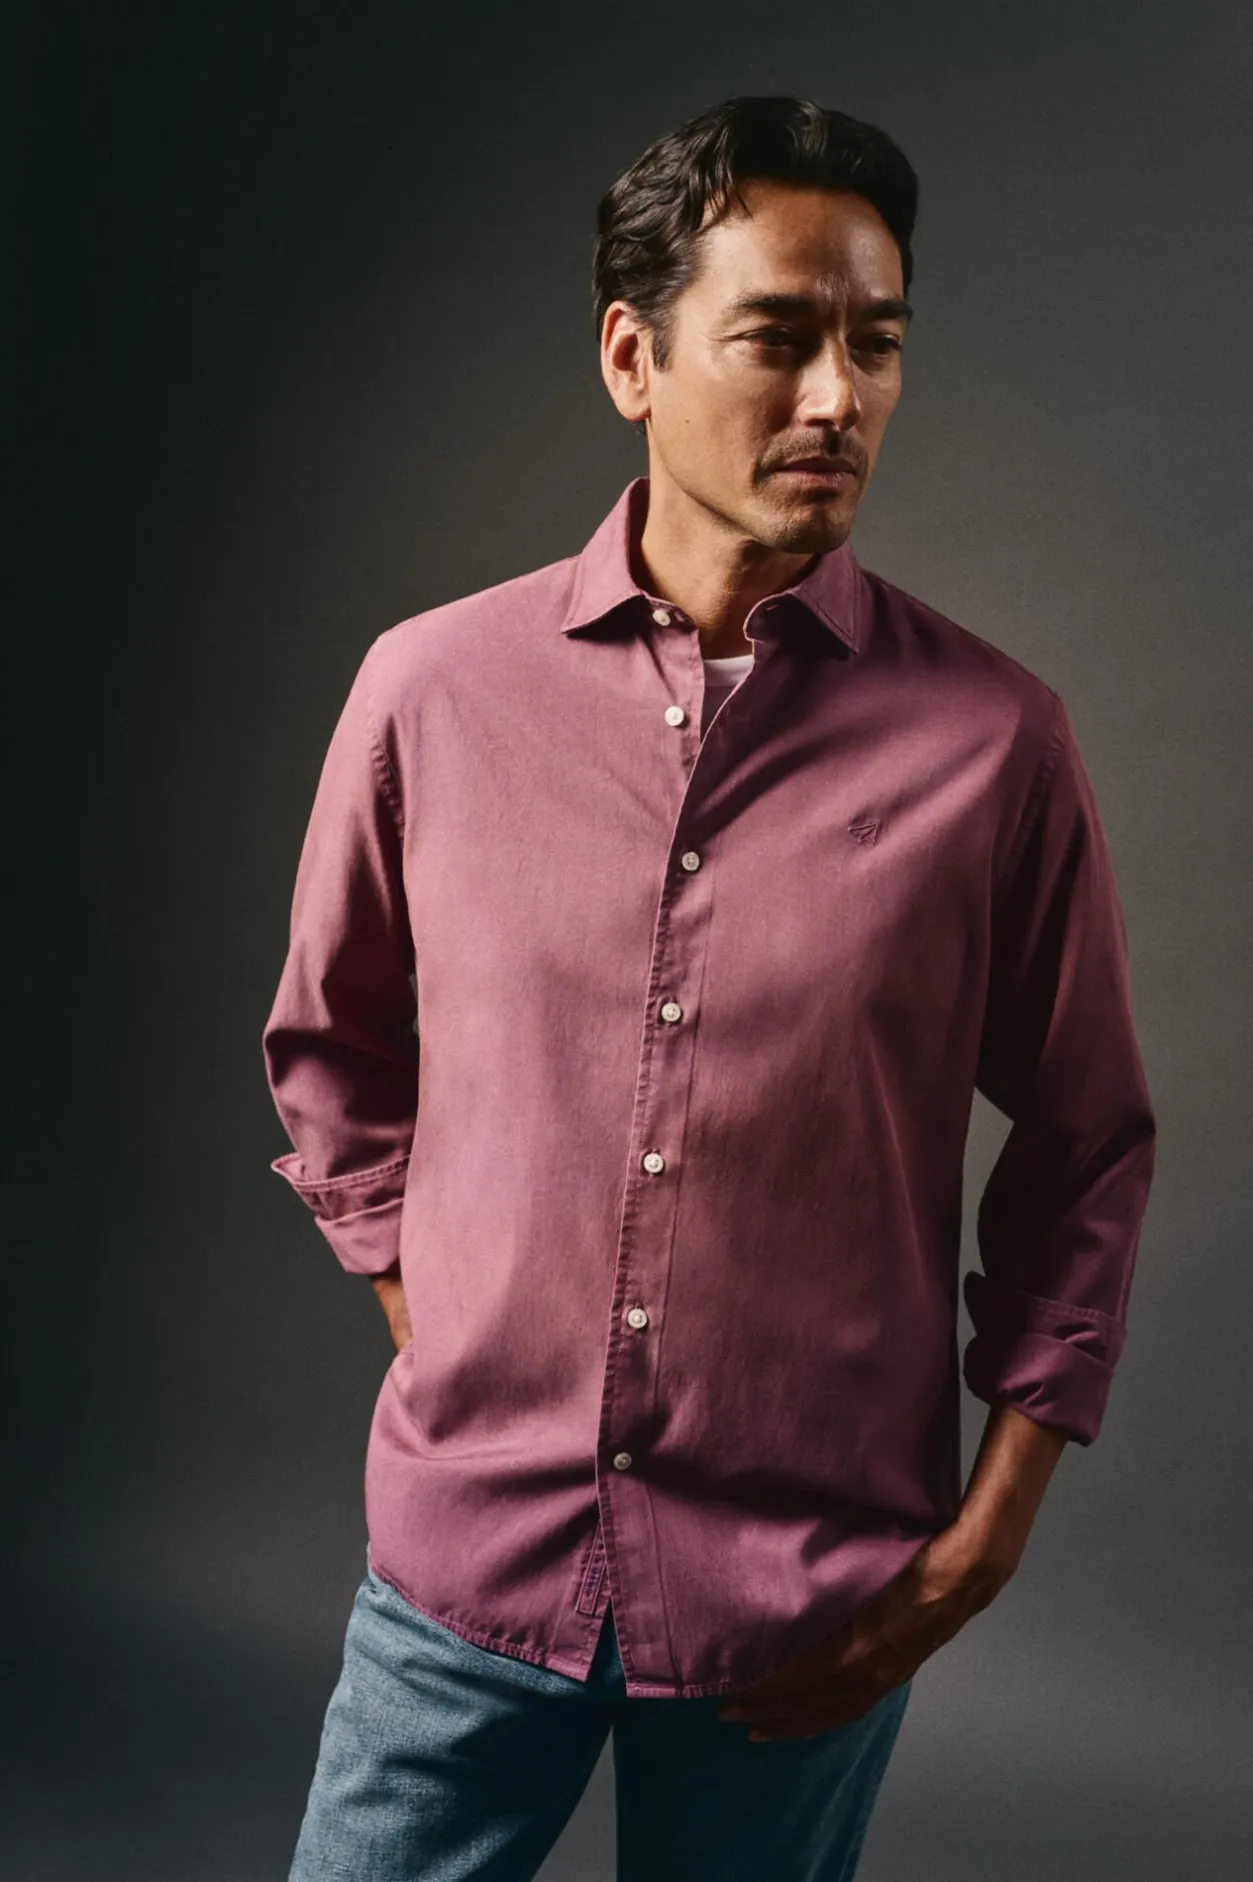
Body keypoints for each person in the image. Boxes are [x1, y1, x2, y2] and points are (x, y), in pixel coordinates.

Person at [261, 93, 1157, 1881]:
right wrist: (438, 1313)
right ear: (633, 357)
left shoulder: (998, 745)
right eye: (780, 337)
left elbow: (1088, 1148)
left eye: (877, 344)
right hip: (468, 1567)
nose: (839, 397)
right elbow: (329, 1047)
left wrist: (980, 1546)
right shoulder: (429, 693)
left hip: (804, 1607)